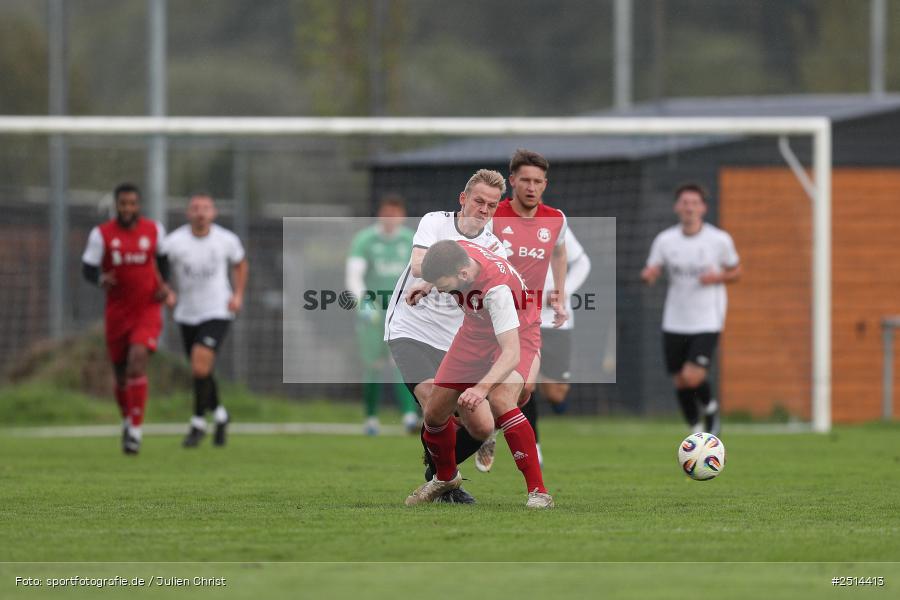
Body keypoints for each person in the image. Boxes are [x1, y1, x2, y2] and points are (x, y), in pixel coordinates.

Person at [385, 169, 506, 504]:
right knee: (432, 405)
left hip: (457, 340)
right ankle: (446, 482)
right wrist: (431, 279)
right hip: (411, 329)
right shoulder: (434, 222)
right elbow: (422, 264)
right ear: (463, 198)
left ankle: (437, 476)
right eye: (479, 201)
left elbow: (494, 290)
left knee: (482, 427)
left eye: (492, 205)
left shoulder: (494, 245)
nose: (484, 209)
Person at [405, 239, 553, 509]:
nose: (440, 290)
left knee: (500, 400)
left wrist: (481, 389)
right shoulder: (458, 252)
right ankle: (446, 478)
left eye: (441, 284)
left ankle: (539, 492)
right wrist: (426, 285)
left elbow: (511, 353)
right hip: (474, 332)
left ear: (462, 275)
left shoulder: (497, 291)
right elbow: (448, 264)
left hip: (517, 334)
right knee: (434, 413)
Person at [475, 148, 568, 472]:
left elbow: (559, 252)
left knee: (526, 386)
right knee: (485, 388)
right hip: (490, 318)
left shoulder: (556, 219)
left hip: (528, 318)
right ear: (512, 181)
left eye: (538, 181)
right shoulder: (494, 216)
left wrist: (559, 289)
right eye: (525, 180)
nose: (531, 187)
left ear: (545, 184)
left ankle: (489, 430)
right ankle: (483, 432)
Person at [640, 183, 741, 436]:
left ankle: (711, 407)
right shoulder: (665, 240)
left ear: (703, 208)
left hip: (708, 319)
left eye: (694, 203)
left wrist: (717, 277)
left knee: (692, 376)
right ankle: (696, 431)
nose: (689, 208)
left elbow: (736, 270)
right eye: (685, 202)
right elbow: (652, 270)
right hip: (675, 318)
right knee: (680, 380)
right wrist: (649, 275)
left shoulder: (719, 240)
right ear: (677, 207)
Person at [81, 182, 170, 455]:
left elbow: (163, 261)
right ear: (116, 205)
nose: (128, 208)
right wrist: (100, 278)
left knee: (137, 361)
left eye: (132, 203)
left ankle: (135, 431)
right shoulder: (102, 235)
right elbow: (87, 268)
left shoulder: (154, 230)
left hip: (147, 309)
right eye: (123, 204)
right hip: (118, 312)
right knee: (120, 376)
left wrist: (164, 285)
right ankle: (126, 419)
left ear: (138, 205)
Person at [162, 193, 248, 448]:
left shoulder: (226, 240)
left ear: (214, 213)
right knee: (202, 371)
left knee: (200, 366)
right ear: (188, 213)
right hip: (187, 313)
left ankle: (198, 422)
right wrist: (166, 291)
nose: (201, 212)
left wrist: (238, 294)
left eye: (206, 208)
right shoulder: (174, 242)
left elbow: (241, 264)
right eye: (195, 208)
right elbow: (160, 269)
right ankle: (221, 415)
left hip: (218, 311)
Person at [345, 194, 418, 435]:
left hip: (402, 311)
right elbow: (354, 275)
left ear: (402, 216)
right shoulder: (365, 239)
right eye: (387, 213)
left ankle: (409, 416)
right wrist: (364, 302)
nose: (391, 218)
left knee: (403, 362)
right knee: (372, 363)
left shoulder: (410, 240)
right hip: (373, 312)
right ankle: (370, 418)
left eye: (395, 214)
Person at [537, 227, 592, 415]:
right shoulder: (502, 222)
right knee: (521, 386)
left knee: (556, 393)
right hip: (521, 320)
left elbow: (582, 262)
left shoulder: (555, 224)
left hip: (555, 321)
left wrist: (562, 293)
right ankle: (532, 444)